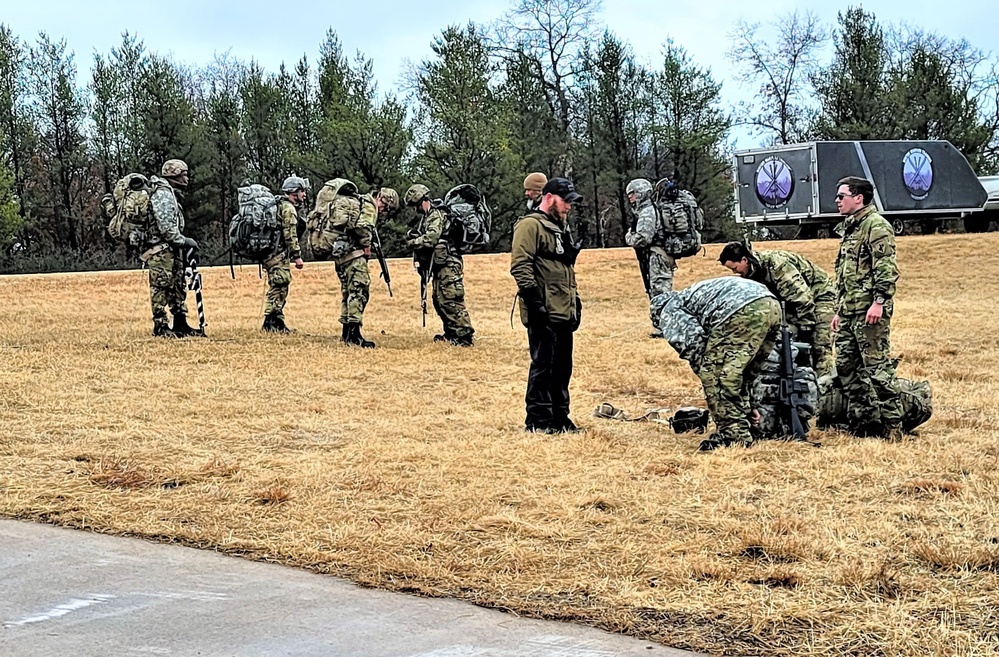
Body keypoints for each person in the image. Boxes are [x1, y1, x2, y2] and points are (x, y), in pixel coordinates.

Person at [652, 276, 781, 451]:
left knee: (717, 375)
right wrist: (746, 405)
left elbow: (693, 345)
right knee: (744, 372)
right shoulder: (692, 296)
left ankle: (733, 436)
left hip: (739, 309)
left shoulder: (669, 310)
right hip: (771, 305)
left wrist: (708, 376)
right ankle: (747, 422)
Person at [830, 176, 904, 440]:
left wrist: (879, 302)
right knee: (846, 367)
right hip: (850, 311)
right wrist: (840, 310)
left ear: (859, 198)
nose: (837, 201)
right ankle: (865, 422)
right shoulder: (851, 228)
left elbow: (885, 268)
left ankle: (893, 425)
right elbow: (846, 274)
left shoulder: (876, 226)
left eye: (842, 196)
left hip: (869, 312)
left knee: (877, 369)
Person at [510, 177, 583, 434]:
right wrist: (534, 302)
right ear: (549, 197)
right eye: (566, 202)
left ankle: (560, 416)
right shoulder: (530, 225)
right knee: (543, 365)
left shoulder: (560, 227)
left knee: (563, 366)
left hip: (563, 307)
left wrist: (576, 302)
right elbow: (520, 265)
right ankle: (539, 420)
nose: (569, 207)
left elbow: (564, 270)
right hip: (544, 307)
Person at [718, 241, 836, 378]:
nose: (735, 273)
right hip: (792, 303)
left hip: (820, 297)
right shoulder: (753, 273)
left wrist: (806, 330)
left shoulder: (777, 266)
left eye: (735, 268)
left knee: (819, 346)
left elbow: (803, 299)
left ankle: (825, 390)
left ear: (744, 260)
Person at [404, 183, 475, 346]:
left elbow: (431, 239)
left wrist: (413, 242)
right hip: (440, 264)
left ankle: (464, 335)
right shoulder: (428, 216)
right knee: (439, 299)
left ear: (421, 200)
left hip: (449, 262)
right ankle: (451, 332)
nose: (415, 210)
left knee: (450, 297)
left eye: (415, 206)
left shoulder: (436, 214)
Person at [336, 186, 398, 348]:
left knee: (348, 293)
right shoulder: (369, 205)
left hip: (342, 255)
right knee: (359, 292)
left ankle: (346, 332)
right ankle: (354, 335)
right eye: (385, 209)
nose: (383, 212)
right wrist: (366, 246)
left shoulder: (359, 202)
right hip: (355, 256)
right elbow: (362, 227)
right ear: (383, 201)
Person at [144, 159, 200, 338]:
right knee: (161, 285)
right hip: (160, 250)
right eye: (184, 174)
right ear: (174, 175)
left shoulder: (171, 193)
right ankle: (160, 326)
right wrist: (184, 241)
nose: (187, 178)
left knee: (177, 284)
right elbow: (166, 226)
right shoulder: (163, 194)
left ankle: (180, 322)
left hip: (171, 248)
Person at [624, 178, 676, 336]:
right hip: (655, 255)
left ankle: (664, 327)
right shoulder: (647, 209)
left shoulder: (647, 212)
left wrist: (629, 237)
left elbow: (643, 238)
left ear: (641, 193)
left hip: (657, 256)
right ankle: (661, 325)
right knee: (657, 290)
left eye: (632, 194)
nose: (630, 198)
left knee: (660, 291)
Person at [261, 176, 307, 334]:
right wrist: (297, 255)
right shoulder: (288, 209)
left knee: (281, 284)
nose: (304, 195)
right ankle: (270, 322)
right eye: (301, 191)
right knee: (279, 284)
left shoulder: (280, 205)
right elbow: (290, 234)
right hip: (277, 254)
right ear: (293, 192)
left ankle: (278, 321)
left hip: (274, 253)